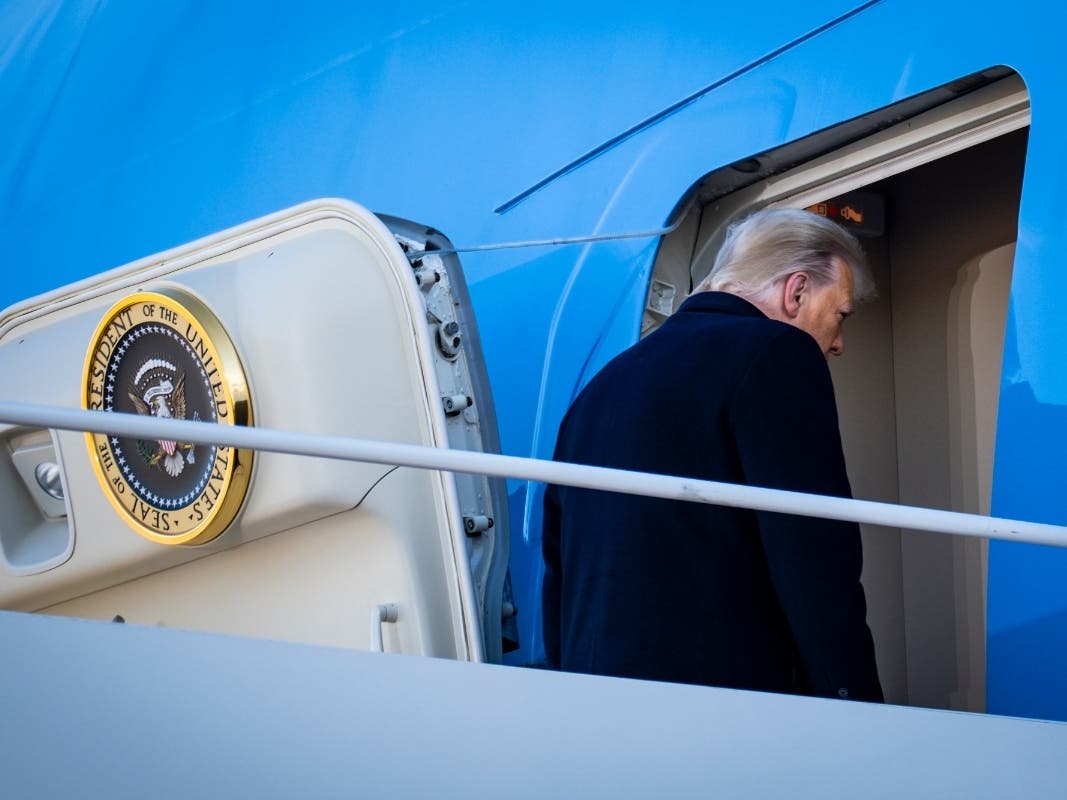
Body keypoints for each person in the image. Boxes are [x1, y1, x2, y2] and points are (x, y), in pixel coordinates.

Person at [541, 207, 883, 702]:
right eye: (840, 314)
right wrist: (858, 703)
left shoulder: (602, 387)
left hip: (599, 700)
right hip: (728, 706)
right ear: (797, 290)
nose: (839, 343)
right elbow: (814, 555)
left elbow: (560, 569)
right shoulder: (778, 353)